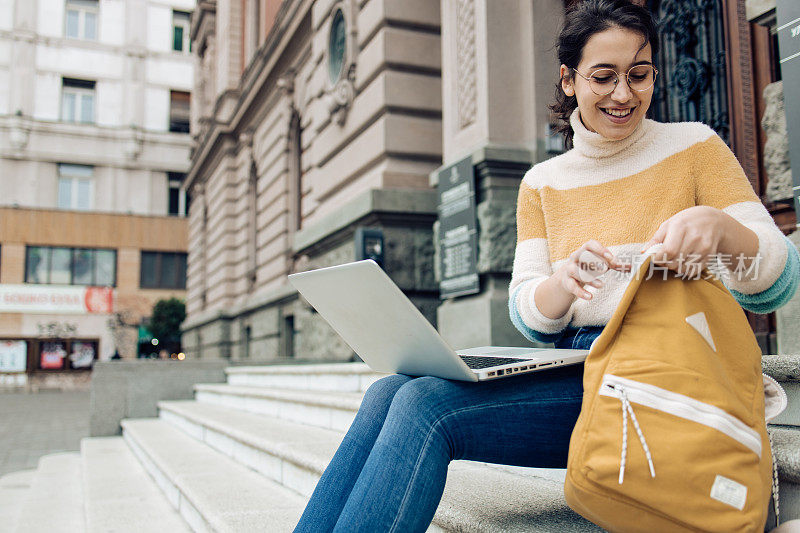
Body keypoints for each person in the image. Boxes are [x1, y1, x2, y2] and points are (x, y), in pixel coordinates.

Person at [294, 1, 800, 531]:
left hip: (664, 377)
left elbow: (777, 281)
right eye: (603, 77)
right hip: (576, 376)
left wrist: (725, 233)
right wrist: (561, 285)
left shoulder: (695, 147)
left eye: (640, 74)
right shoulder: (541, 182)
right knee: (386, 392)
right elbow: (528, 311)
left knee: (424, 405)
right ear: (568, 80)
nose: (624, 94)